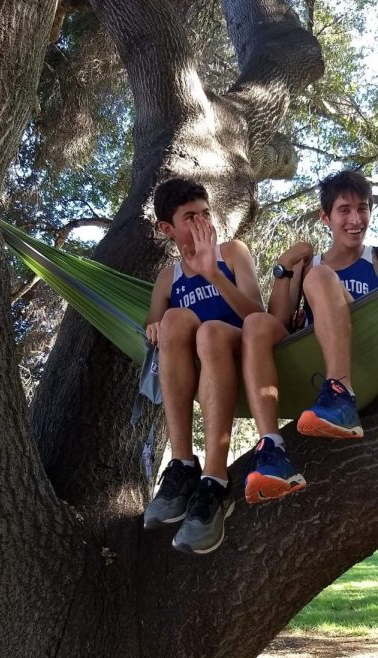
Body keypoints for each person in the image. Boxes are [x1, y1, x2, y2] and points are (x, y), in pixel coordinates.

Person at [242, 170, 378, 504]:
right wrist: (284, 268)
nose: (355, 219)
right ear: (326, 217)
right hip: (311, 365)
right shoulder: (309, 267)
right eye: (344, 210)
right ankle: (272, 448)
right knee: (254, 325)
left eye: (362, 208)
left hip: (369, 356)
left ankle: (342, 395)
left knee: (323, 276)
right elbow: (276, 321)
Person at [142, 178, 263, 555]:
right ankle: (183, 465)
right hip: (197, 370)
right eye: (190, 217)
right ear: (168, 229)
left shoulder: (232, 252)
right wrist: (153, 326)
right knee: (175, 320)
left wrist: (213, 274)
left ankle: (215, 478)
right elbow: (154, 326)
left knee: (210, 331)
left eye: (206, 214)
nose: (202, 223)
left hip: (243, 351)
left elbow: (258, 316)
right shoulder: (169, 277)